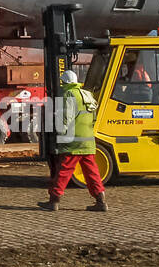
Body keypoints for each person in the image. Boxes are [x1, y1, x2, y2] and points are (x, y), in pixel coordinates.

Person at [38, 69, 107, 212]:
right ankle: (101, 200)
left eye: (62, 82)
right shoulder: (87, 94)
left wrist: (59, 135)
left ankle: (54, 200)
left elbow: (66, 118)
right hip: (88, 141)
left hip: (74, 141)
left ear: (65, 82)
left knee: (64, 171)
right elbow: (93, 118)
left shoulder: (69, 94)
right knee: (92, 172)